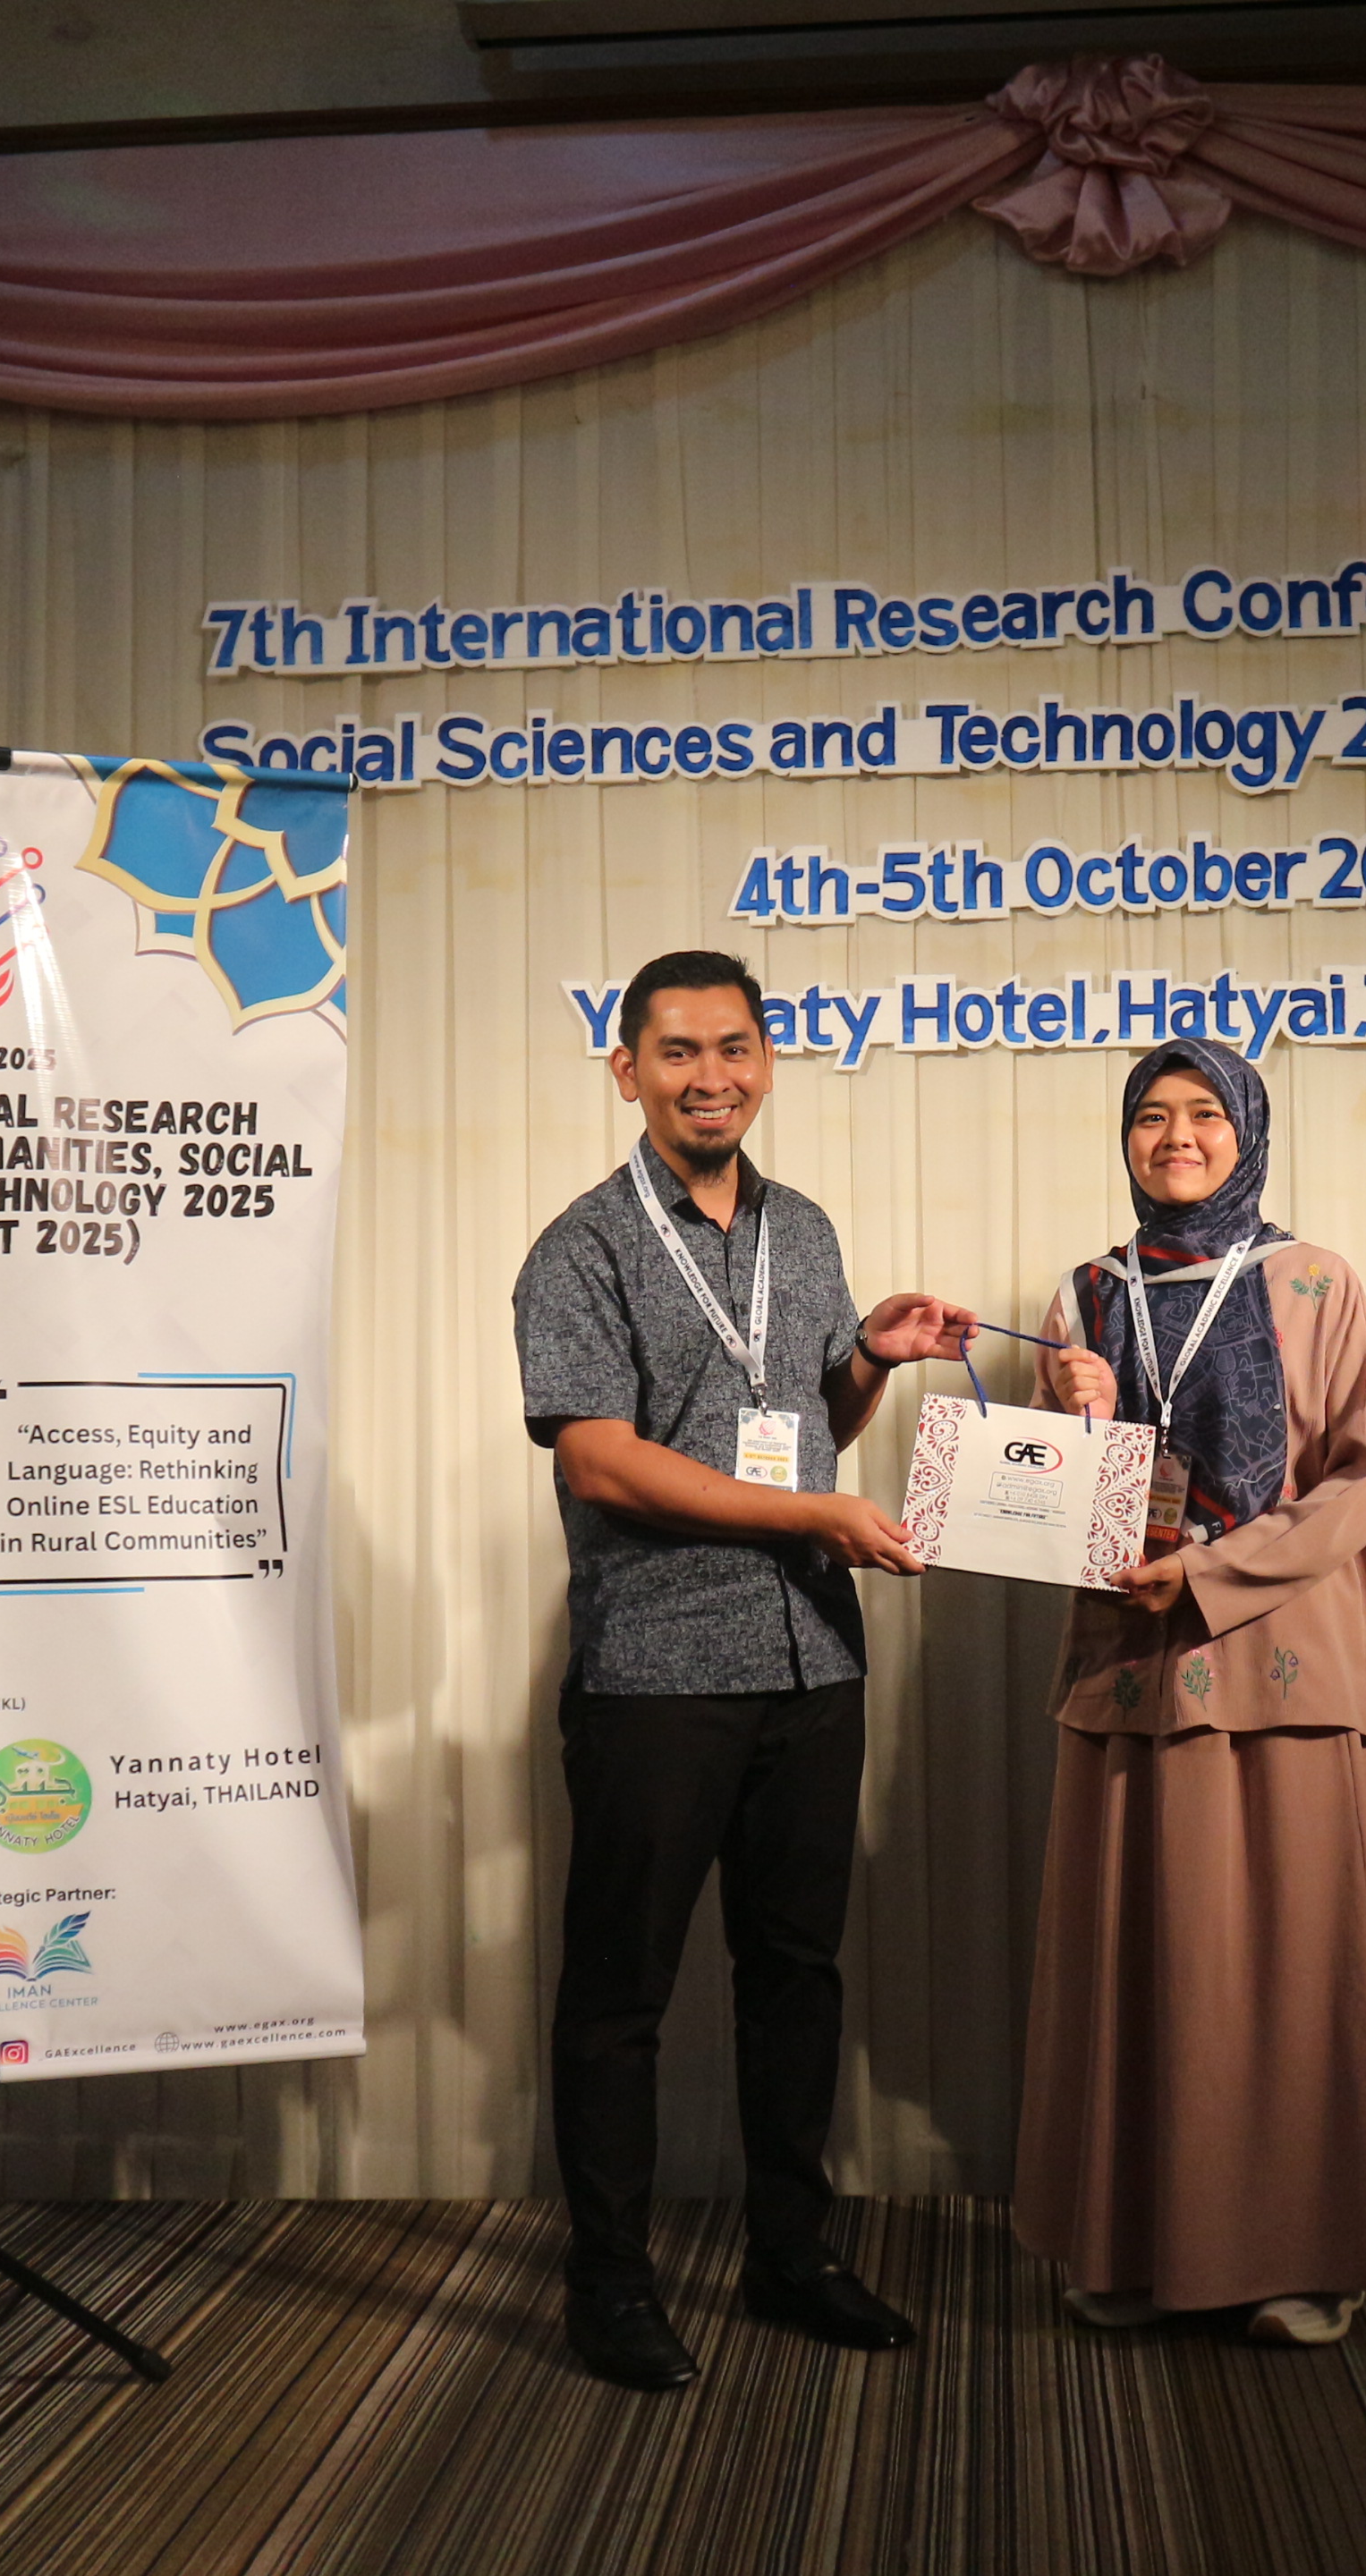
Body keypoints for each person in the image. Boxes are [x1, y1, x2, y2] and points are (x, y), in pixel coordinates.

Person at [513, 949, 978, 2393]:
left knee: (796, 1976)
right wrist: (816, 1516)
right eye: (678, 1052)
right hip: (658, 1671)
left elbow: (813, 1424)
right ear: (627, 1070)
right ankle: (610, 2283)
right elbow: (601, 1461)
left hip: (811, 1659)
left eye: (733, 1049)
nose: (709, 1077)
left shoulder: (808, 1230)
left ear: (767, 1062)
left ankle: (792, 2252)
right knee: (622, 1996)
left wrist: (873, 1362)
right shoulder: (581, 1248)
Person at [1016, 1034, 1366, 2347]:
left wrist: (1208, 1571)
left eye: (1204, 1113)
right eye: (1152, 1114)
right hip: (1131, 1675)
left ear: (1248, 1132)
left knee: (1289, 1977)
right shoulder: (1086, 1294)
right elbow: (1054, 1514)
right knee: (1143, 1971)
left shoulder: (1317, 1283)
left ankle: (1303, 2255)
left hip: (1280, 1663)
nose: (1177, 1136)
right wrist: (1070, 1415)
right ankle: (1137, 2248)